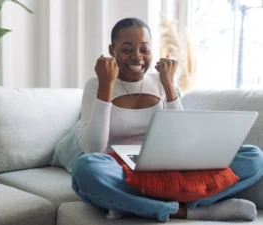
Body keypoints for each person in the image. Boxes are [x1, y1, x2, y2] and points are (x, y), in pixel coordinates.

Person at [71, 18, 263, 222]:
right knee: (85, 168)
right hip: (122, 169)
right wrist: (105, 87)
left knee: (253, 157)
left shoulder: (162, 82)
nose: (137, 57)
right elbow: (93, 149)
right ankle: (187, 211)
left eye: (144, 49)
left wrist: (170, 86)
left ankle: (133, 203)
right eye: (127, 50)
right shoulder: (97, 85)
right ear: (112, 50)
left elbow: (182, 139)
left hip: (168, 168)